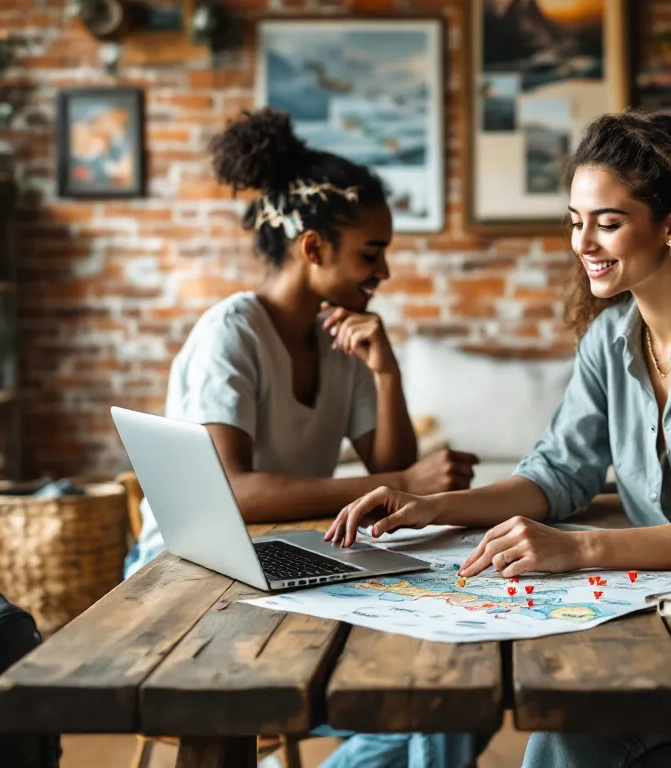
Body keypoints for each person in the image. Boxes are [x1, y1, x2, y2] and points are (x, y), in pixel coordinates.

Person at [326, 111, 671, 767]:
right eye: (574, 220)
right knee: (486, 707)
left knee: (565, 737)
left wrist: (578, 548)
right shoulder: (609, 340)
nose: (582, 241)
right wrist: (429, 506)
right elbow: (558, 474)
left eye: (607, 222)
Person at [123, 107, 489, 768]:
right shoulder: (231, 332)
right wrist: (398, 486)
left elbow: (389, 460)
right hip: (192, 572)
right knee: (433, 702)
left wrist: (386, 369)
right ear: (313, 248)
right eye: (370, 255)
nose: (382, 274)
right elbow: (230, 493)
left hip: (289, 556)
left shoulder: (341, 335)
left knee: (457, 689)